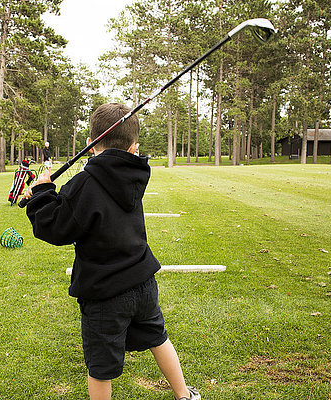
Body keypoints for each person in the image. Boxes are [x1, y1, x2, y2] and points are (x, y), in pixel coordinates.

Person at [23, 103, 200, 400]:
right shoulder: (135, 175)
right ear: (134, 147)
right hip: (143, 282)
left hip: (104, 293)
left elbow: (54, 226)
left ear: (92, 144)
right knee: (158, 338)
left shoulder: (84, 184)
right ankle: (184, 394)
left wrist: (42, 192)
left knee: (100, 366)